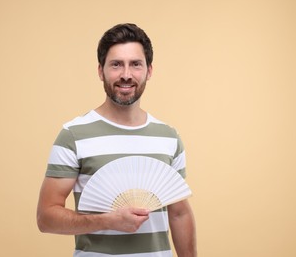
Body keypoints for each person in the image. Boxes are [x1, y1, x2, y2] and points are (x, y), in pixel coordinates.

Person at [37, 23, 197, 257]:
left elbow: (179, 213)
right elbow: (46, 218)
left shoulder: (168, 137)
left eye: (135, 64)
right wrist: (107, 221)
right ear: (101, 71)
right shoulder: (73, 135)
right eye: (116, 64)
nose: (126, 74)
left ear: (149, 71)